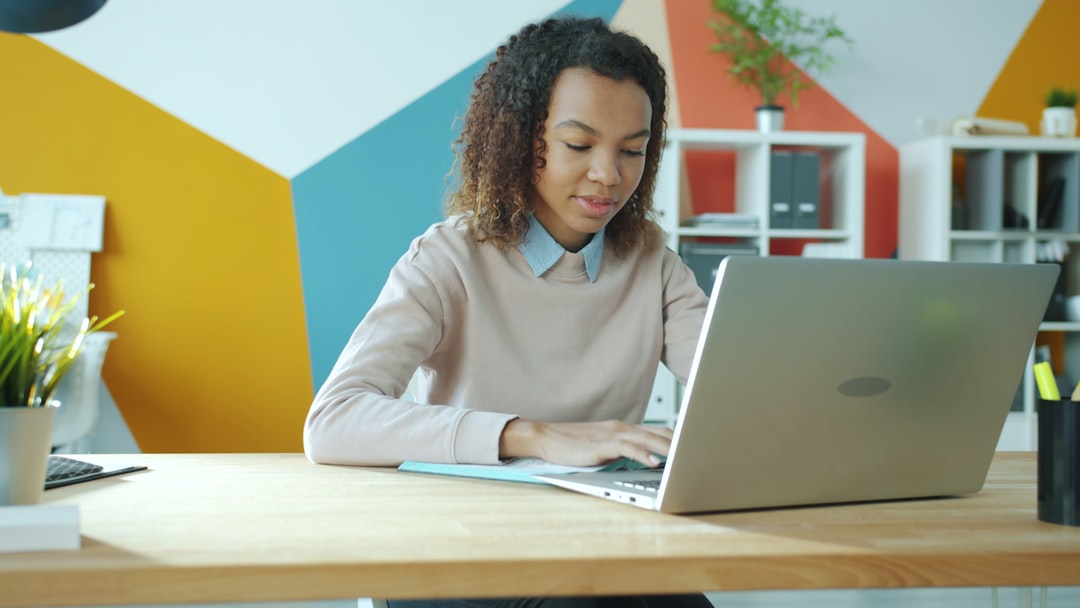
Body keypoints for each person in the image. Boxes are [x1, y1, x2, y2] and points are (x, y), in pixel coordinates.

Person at [304, 15, 712, 608]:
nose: (609, 174)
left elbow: (734, 387)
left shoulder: (652, 261)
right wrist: (539, 437)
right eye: (578, 145)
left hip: (597, 543)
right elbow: (333, 422)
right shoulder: (448, 257)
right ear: (522, 138)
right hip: (462, 547)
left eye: (633, 151)